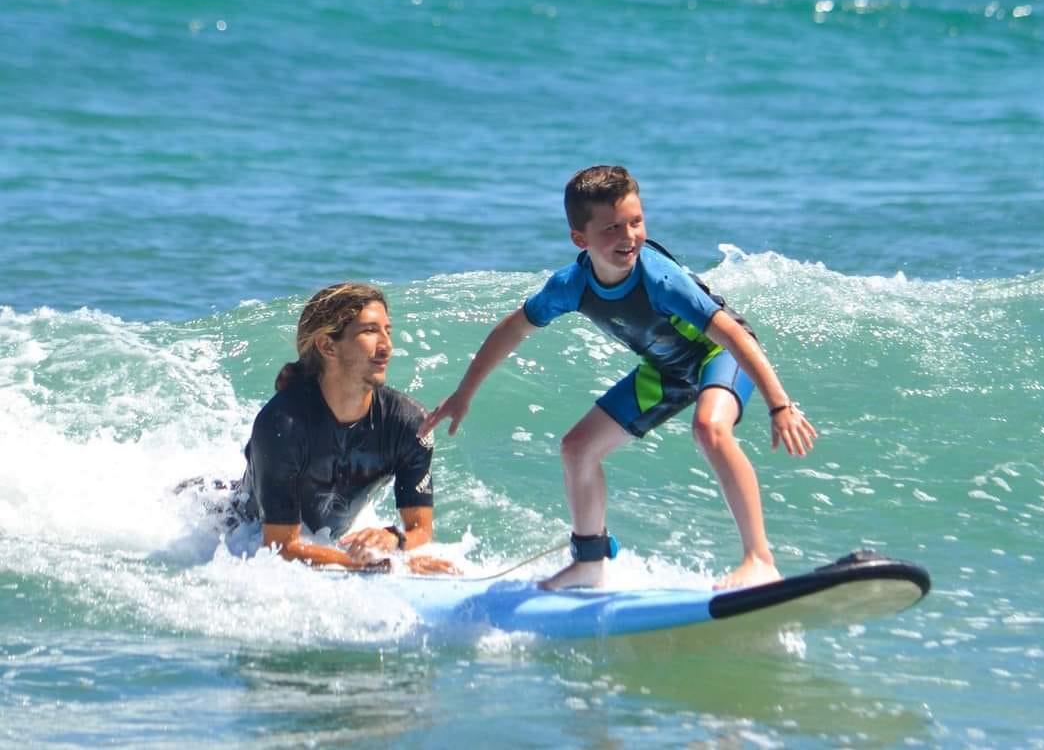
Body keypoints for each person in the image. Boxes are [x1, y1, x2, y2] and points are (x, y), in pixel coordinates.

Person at [420, 165, 816, 590]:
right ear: (580, 239)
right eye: (611, 228)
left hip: (717, 356)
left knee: (709, 428)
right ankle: (590, 561)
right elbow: (513, 328)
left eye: (636, 222)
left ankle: (759, 559)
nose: (628, 236)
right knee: (577, 448)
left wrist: (780, 404)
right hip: (665, 371)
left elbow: (734, 335)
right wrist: (464, 394)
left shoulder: (661, 280)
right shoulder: (571, 286)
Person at [239, 282, 456, 575]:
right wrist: (375, 565)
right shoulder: (283, 425)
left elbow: (420, 530)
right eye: (369, 331)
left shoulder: (408, 425)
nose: (386, 346)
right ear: (327, 345)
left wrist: (394, 539)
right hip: (238, 533)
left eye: (387, 331)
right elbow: (279, 548)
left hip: (319, 542)